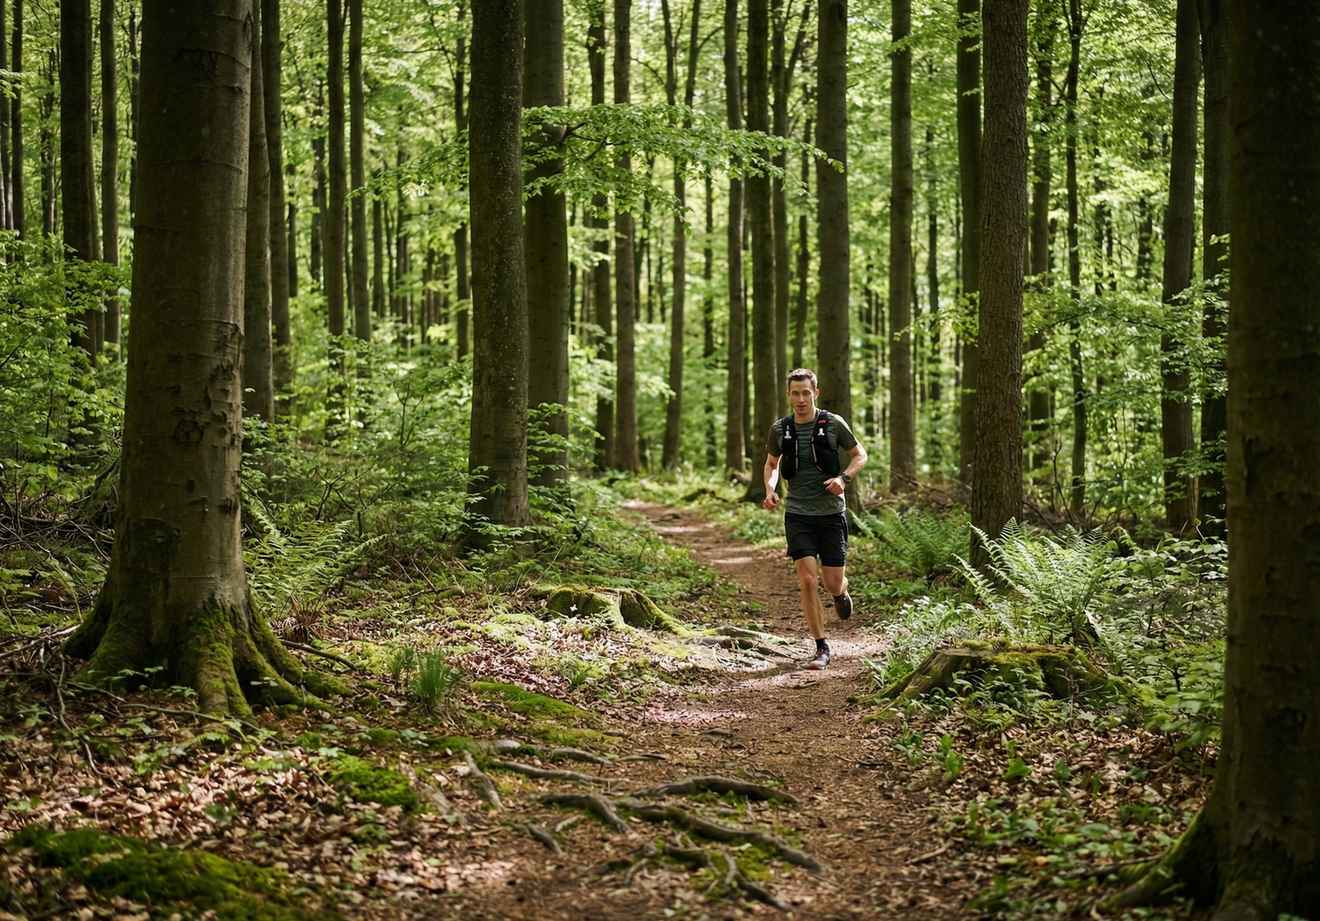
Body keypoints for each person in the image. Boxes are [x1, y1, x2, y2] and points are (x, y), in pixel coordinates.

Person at [762, 369, 868, 670]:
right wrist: (770, 489)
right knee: (807, 580)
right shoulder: (780, 429)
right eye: (795, 393)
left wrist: (843, 478)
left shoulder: (833, 423)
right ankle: (821, 647)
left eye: (805, 393)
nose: (800, 399)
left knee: (831, 581)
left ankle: (841, 592)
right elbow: (771, 464)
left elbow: (860, 455)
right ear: (788, 395)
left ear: (815, 393)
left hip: (831, 513)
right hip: (798, 513)